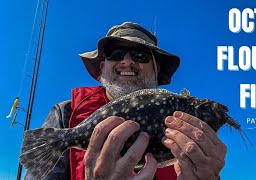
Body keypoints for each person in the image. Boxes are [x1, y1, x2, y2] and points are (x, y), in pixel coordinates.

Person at [25, 22, 227, 180]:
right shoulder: (66, 114)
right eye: (116, 54)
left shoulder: (190, 127)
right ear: (102, 68)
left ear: (156, 70)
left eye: (140, 56)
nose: (128, 61)